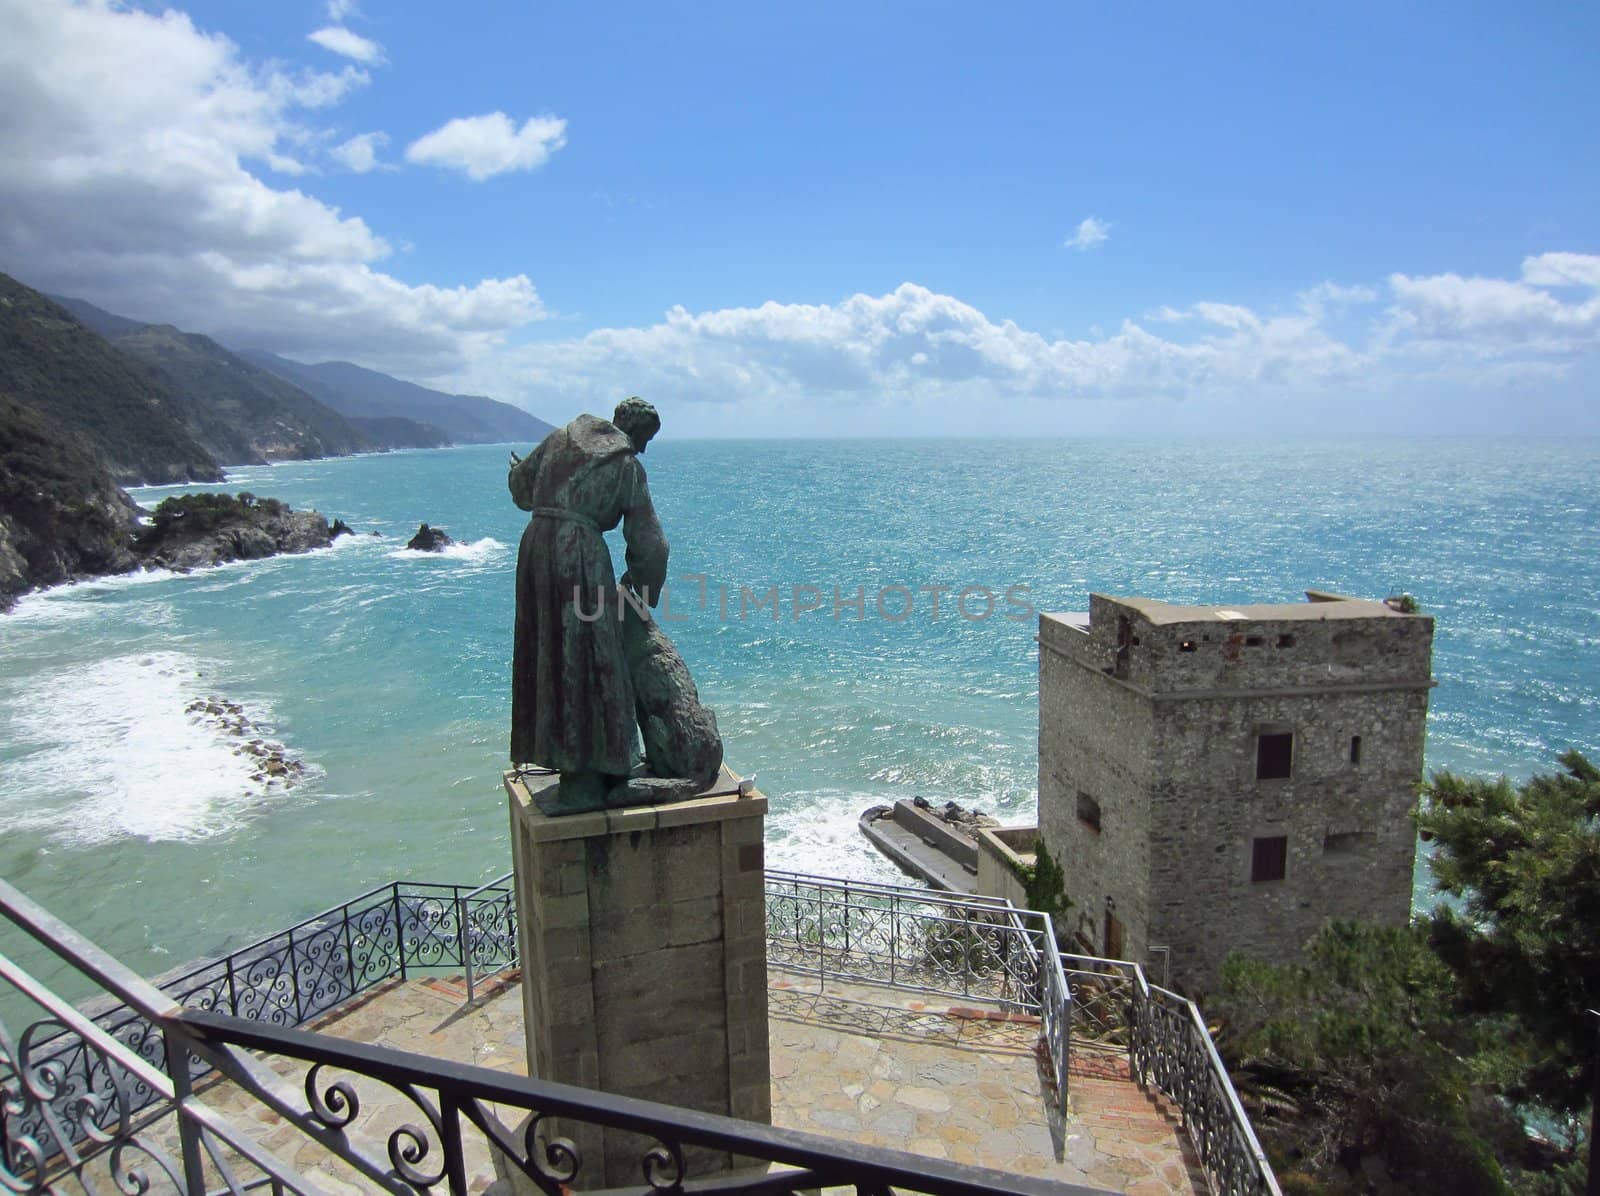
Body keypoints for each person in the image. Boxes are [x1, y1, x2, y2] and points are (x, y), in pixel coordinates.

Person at [509, 397, 666, 811]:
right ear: (633, 429)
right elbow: (651, 542)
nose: (644, 448)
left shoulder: (560, 437)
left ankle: (572, 759)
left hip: (535, 548)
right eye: (646, 439)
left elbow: (521, 488)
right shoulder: (627, 466)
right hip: (579, 554)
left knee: (549, 651)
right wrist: (642, 591)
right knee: (592, 655)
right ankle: (592, 769)